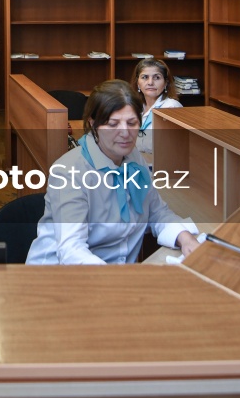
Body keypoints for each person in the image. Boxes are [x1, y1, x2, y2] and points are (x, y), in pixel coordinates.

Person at [26, 79, 198, 264]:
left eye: (132, 123)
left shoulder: (134, 158)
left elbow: (157, 212)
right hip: (62, 274)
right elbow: (71, 250)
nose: (125, 133)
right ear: (93, 124)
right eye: (113, 124)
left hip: (114, 273)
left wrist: (185, 238)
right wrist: (114, 278)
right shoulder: (69, 172)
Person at [132, 57, 183, 155]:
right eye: (145, 77)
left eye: (157, 78)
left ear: (166, 83)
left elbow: (175, 149)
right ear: (137, 83)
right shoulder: (136, 108)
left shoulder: (171, 107)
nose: (150, 82)